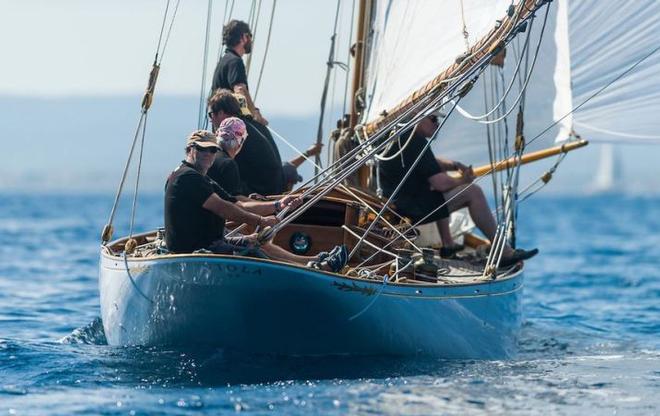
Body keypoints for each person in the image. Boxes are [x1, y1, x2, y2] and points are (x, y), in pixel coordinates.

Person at [164, 130, 347, 272]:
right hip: (195, 253)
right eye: (202, 148)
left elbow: (239, 204)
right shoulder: (187, 177)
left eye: (212, 149)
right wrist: (259, 221)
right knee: (254, 254)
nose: (208, 153)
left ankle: (313, 262)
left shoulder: (199, 178)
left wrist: (278, 205)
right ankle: (316, 269)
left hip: (211, 243)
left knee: (254, 243)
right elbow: (222, 208)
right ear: (190, 150)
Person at [378, 114, 538, 267]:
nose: (437, 123)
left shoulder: (401, 137)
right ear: (418, 119)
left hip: (397, 203)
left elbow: (432, 163)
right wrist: (463, 180)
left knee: (443, 179)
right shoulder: (415, 140)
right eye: (433, 119)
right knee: (473, 192)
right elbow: (439, 183)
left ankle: (448, 245)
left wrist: (454, 165)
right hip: (409, 209)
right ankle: (503, 252)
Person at [207, 89, 322, 195]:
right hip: (270, 189)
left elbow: (223, 162)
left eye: (211, 114)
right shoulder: (255, 126)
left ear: (221, 113)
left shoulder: (236, 130)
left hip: (260, 192)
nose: (210, 119)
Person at [212, 20, 267, 126]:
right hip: (233, 126)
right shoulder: (235, 61)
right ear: (243, 37)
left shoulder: (225, 60)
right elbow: (240, 90)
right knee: (265, 141)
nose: (252, 40)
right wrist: (253, 114)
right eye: (250, 36)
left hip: (223, 124)